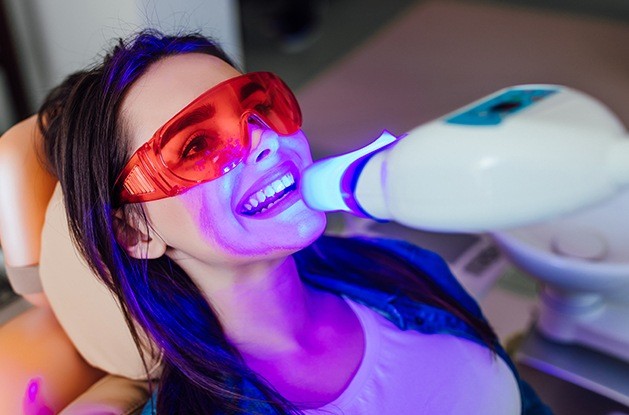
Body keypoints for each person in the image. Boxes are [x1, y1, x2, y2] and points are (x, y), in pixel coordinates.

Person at [38, 29, 551, 414]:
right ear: (135, 231)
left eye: (258, 107)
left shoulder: (404, 265)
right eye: (196, 146)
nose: (264, 141)